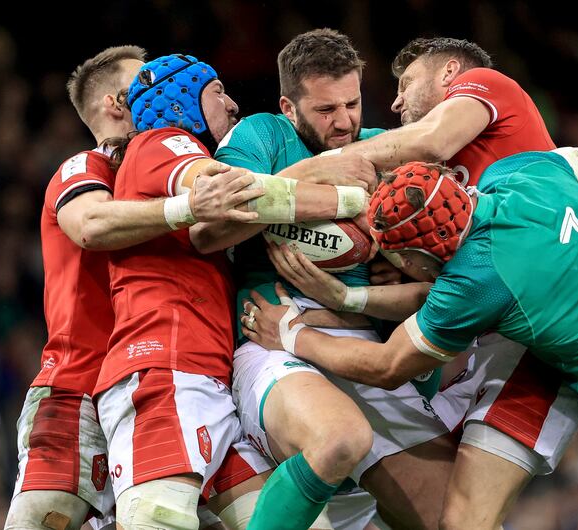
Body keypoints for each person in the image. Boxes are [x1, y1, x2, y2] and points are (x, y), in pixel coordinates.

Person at [243, 151, 578, 530]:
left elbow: (387, 367)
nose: (394, 268)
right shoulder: (523, 172)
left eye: (396, 258)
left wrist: (293, 333)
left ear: (415, 254)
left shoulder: (477, 280)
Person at [92, 52, 371, 530]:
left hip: (212, 376)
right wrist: (353, 198)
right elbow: (241, 196)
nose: (233, 104)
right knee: (158, 520)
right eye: (218, 92)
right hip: (168, 367)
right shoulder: (166, 141)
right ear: (179, 99)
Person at [193, 29, 453, 530]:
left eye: (352, 104)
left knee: (462, 521)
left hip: (366, 348)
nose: (345, 122)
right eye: (326, 111)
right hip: (274, 342)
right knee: (339, 438)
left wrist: (386, 266)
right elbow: (208, 230)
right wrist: (323, 171)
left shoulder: (383, 148)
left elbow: (440, 269)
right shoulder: (262, 136)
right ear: (290, 107)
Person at [3, 45, 260, 530]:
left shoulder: (170, 167)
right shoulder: (85, 169)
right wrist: (189, 209)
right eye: (143, 85)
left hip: (179, 376)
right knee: (43, 520)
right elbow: (92, 225)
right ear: (116, 105)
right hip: (80, 383)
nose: (159, 91)